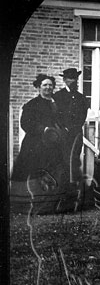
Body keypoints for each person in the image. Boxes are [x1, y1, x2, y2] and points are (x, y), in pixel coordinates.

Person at [10, 74, 69, 208]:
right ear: (38, 87)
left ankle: (51, 203)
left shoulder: (56, 104)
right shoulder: (31, 105)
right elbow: (25, 123)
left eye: (50, 85)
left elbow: (62, 121)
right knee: (35, 171)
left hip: (55, 144)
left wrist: (62, 129)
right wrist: (43, 129)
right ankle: (33, 203)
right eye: (44, 85)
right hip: (36, 144)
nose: (48, 87)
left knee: (56, 171)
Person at [53, 68, 89, 187]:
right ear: (64, 80)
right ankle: (61, 188)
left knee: (74, 160)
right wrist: (63, 128)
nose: (73, 81)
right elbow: (56, 115)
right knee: (62, 160)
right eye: (70, 78)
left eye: (75, 78)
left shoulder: (81, 98)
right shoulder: (58, 96)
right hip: (62, 134)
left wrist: (75, 127)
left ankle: (73, 190)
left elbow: (83, 115)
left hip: (76, 134)